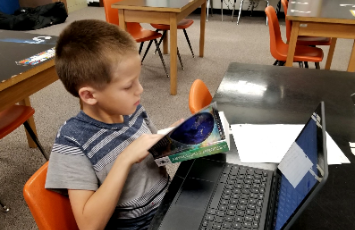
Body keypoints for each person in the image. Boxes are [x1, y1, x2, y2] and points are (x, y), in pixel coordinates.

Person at [45, 19, 181, 230]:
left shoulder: (132, 109)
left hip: (169, 202)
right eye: (128, 86)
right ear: (89, 95)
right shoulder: (72, 141)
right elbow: (89, 225)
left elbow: (156, 155)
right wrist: (124, 159)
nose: (140, 89)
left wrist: (174, 139)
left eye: (138, 79)